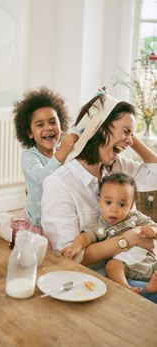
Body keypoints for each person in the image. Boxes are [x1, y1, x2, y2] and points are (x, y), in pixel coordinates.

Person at [41, 88, 157, 302]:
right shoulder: (60, 184)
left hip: (137, 265)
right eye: (125, 131)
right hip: (95, 280)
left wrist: (129, 136)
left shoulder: (117, 166)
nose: (130, 141)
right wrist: (127, 240)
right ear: (100, 127)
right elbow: (70, 258)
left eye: (132, 134)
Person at [61, 173, 157, 294]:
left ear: (131, 205)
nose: (114, 209)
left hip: (148, 261)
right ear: (99, 201)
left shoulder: (135, 218)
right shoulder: (100, 226)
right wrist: (75, 247)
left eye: (122, 204)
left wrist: (153, 230)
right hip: (124, 267)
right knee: (111, 266)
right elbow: (84, 237)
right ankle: (127, 288)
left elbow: (155, 226)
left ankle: (152, 285)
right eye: (108, 203)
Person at [13, 86, 78, 229]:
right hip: (37, 223)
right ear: (29, 133)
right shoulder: (29, 156)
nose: (48, 128)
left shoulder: (62, 155)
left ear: (61, 125)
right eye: (40, 124)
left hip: (57, 219)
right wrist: (63, 150)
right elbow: (43, 177)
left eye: (53, 122)